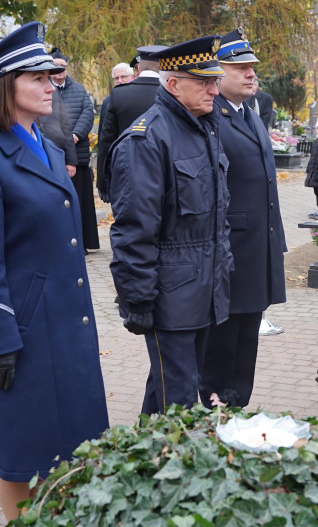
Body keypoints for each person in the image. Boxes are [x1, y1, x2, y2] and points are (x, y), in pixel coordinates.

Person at [0, 22, 109, 521]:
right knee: (22, 445)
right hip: (22, 328)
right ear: (4, 87)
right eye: (37, 77)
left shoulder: (50, 147)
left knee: (75, 436)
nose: (50, 84)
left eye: (52, 76)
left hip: (67, 320)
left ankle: (64, 525)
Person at [108, 35, 232, 415]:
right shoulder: (147, 139)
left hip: (205, 289)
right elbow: (134, 228)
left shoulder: (203, 127)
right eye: (204, 82)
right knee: (176, 398)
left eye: (214, 80)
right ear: (173, 84)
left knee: (169, 387)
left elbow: (216, 215)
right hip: (170, 296)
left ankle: (139, 464)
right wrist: (138, 298)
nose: (215, 89)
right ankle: (166, 468)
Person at [198, 28, 286, 408]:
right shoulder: (211, 118)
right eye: (241, 68)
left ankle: (236, 405)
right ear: (218, 73)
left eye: (252, 68)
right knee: (223, 337)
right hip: (230, 248)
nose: (251, 74)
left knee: (247, 333)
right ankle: (215, 404)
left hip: (256, 247)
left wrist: (276, 240)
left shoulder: (250, 114)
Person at [95, 45, 165, 202]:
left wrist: (103, 183)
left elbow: (106, 141)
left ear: (138, 67)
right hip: (164, 174)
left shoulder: (119, 94)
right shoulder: (174, 94)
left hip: (126, 175)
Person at [48, 52, 98, 252]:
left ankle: (82, 243)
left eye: (63, 66)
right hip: (53, 150)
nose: (60, 70)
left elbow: (88, 112)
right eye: (56, 66)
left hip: (77, 153)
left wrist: (74, 135)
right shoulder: (45, 89)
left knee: (79, 199)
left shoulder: (79, 89)